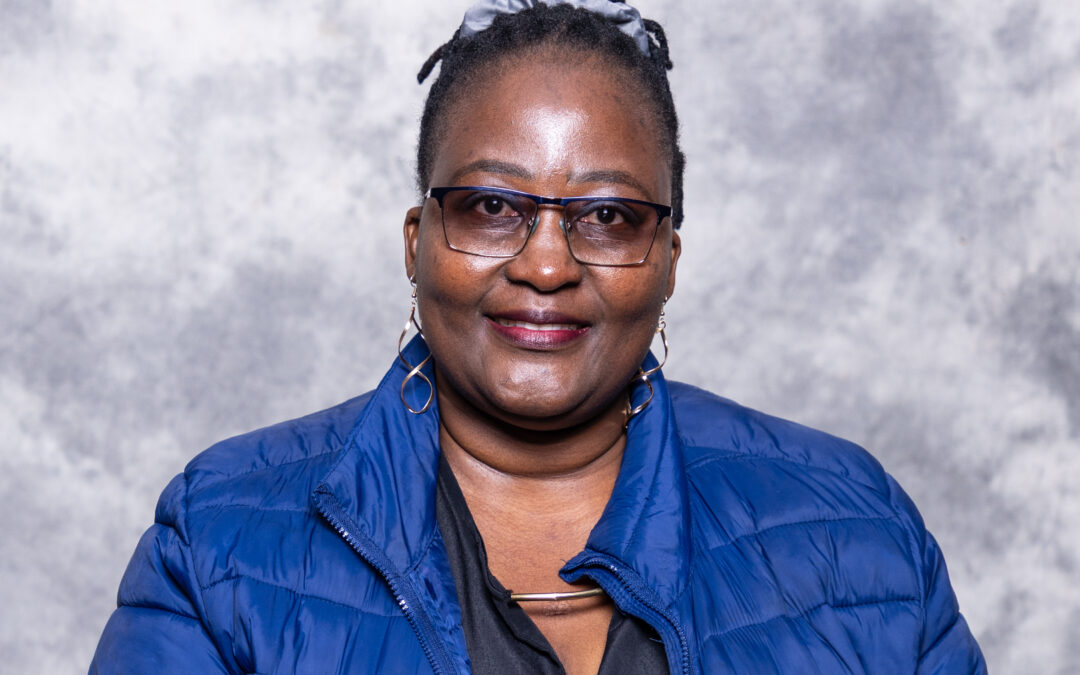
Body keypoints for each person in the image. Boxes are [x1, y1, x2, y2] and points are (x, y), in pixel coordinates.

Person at [90, 1, 987, 673]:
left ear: (668, 260)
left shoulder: (857, 534)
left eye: (607, 216)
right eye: (491, 206)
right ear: (416, 243)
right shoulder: (220, 544)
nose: (547, 264)